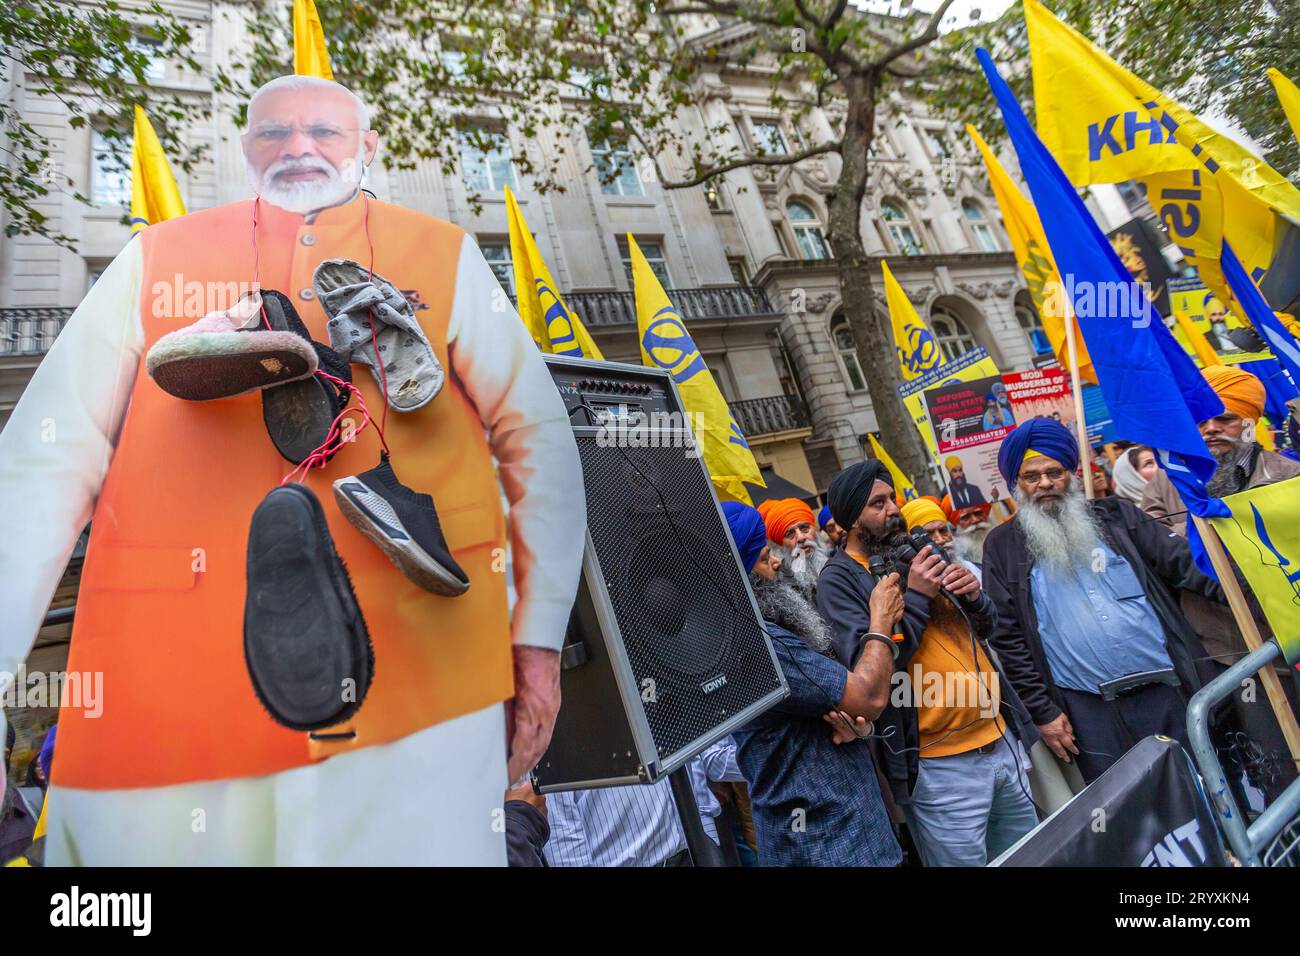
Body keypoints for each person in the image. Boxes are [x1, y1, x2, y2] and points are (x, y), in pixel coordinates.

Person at [0, 75, 586, 864]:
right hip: (168, 711)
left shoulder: (444, 255)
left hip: (424, 703)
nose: (299, 147)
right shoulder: (155, 257)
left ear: (368, 149)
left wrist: (538, 639)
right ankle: (259, 331)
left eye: (325, 132)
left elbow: (538, 439)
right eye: (274, 133)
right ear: (246, 152)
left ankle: (341, 362)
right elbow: (40, 465)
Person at [816, 461, 1039, 866]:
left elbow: (986, 628)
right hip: (940, 767)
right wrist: (917, 595)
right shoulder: (839, 580)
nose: (893, 510)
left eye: (892, 500)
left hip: (1001, 740)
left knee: (1032, 857)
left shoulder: (915, 549)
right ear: (850, 520)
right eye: (877, 504)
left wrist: (973, 597)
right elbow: (873, 674)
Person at [983, 419, 1223, 782]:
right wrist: (1043, 712)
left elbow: (1186, 566)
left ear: (1071, 474)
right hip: (1088, 713)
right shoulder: (1002, 546)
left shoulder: (1116, 516)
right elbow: (1007, 637)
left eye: (1054, 472)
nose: (1046, 483)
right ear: (1015, 484)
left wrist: (1248, 587)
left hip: (1168, 690)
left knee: (1205, 789)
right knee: (1133, 816)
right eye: (1032, 477)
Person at [1140, 366, 1300, 801]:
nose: (1211, 429)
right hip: (1220, 655)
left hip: (1286, 643)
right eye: (1201, 419)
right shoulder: (1166, 484)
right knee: (1269, 772)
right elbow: (1163, 556)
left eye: (1225, 418)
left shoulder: (1287, 476)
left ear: (1249, 422)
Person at [722, 500, 903, 866]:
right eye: (761, 558)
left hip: (845, 830)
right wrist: (880, 619)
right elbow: (866, 695)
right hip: (829, 844)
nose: (776, 562)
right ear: (739, 576)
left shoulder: (759, 631)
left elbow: (842, 708)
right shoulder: (763, 642)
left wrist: (855, 724)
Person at [543, 739, 744, 867]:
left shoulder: (650, 681)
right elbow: (561, 840)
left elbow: (694, 761)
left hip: (693, 853)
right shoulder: (547, 721)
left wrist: (707, 838)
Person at [901, 498, 983, 584]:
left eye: (943, 530)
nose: (941, 540)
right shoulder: (908, 589)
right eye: (928, 535)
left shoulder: (978, 570)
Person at [758, 497, 826, 598]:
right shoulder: (782, 588)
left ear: (815, 529)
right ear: (781, 545)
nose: (801, 538)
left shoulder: (840, 562)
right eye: (790, 534)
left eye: (804, 528)